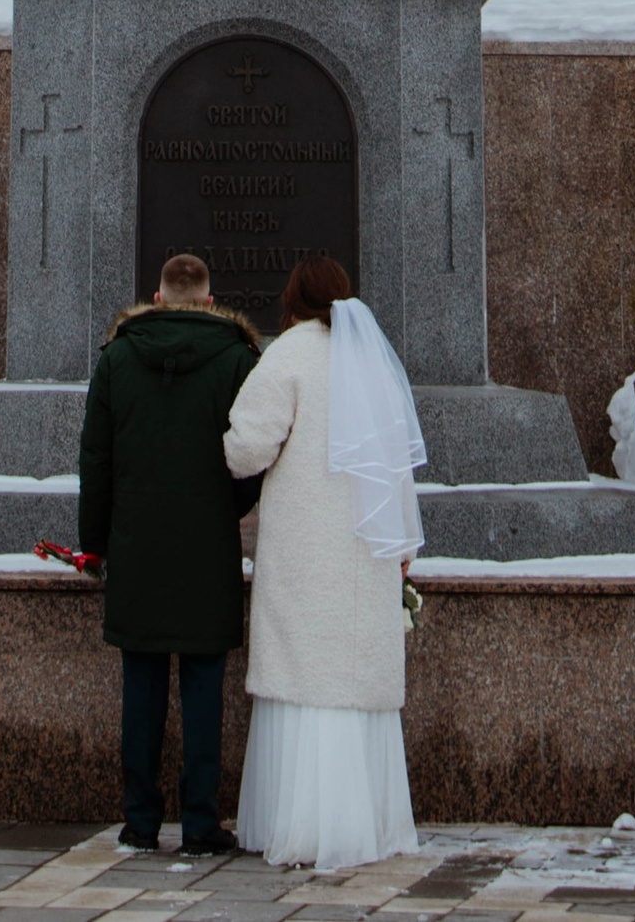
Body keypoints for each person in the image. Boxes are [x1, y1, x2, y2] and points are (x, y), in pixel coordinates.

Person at [220, 252, 426, 874]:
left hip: (308, 550)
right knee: (350, 679)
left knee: (307, 678)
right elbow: (397, 470)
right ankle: (370, 824)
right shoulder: (371, 364)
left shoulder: (289, 354)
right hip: (364, 553)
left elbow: (245, 450)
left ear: (294, 297)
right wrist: (402, 553)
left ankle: (305, 827)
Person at [77, 248, 261, 855]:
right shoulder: (238, 359)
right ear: (209, 302)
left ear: (156, 299)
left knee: (143, 686)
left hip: (136, 547)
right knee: (205, 688)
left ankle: (141, 820)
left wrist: (94, 545)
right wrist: (223, 512)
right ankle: (202, 822)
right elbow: (249, 463)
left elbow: (96, 460)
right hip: (207, 546)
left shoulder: (118, 359)